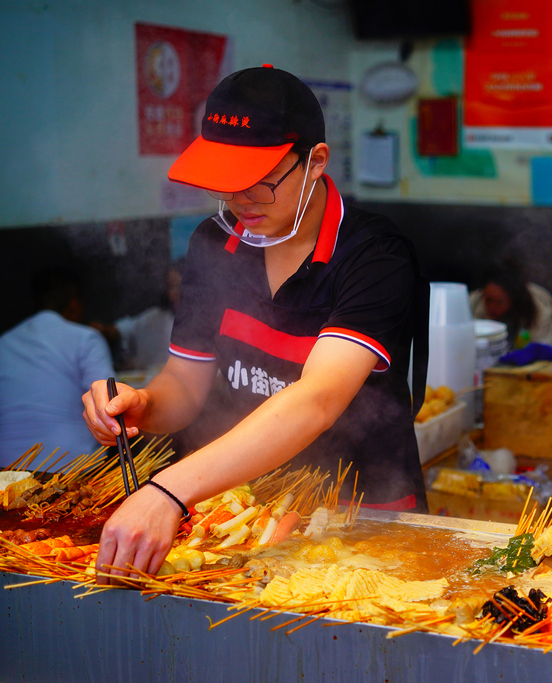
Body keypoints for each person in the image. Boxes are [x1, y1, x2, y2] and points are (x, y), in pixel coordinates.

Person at [81, 65, 428, 582]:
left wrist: (168, 490)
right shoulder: (213, 243)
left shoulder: (372, 256)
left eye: (261, 183)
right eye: (227, 185)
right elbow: (186, 384)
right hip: (234, 511)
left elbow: (317, 400)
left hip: (360, 516)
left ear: (316, 162)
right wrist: (145, 405)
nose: (242, 202)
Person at [0, 267, 114, 467]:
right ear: (75, 304)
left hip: (7, 469)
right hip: (74, 469)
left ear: (33, 304)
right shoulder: (86, 338)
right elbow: (110, 403)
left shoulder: (4, 342)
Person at [469, 263, 552, 352]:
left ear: (513, 299)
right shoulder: (473, 304)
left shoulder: (538, 305)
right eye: (488, 300)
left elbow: (546, 349)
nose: (492, 307)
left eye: (500, 302)